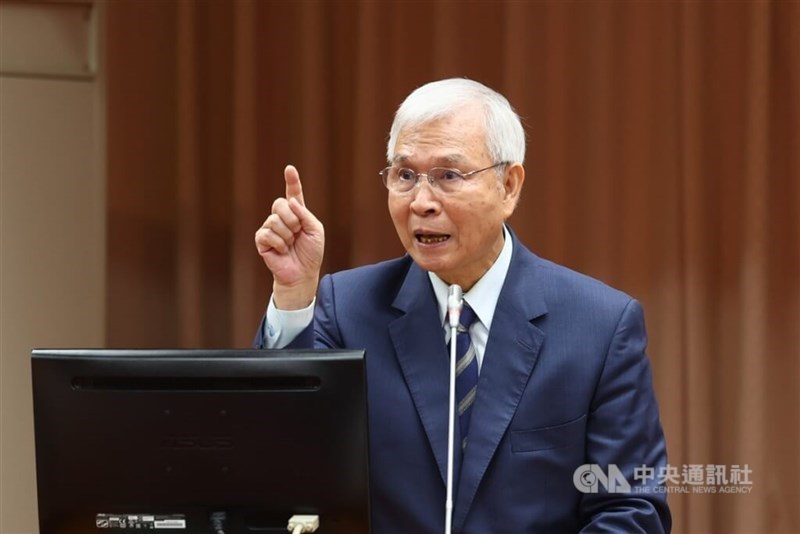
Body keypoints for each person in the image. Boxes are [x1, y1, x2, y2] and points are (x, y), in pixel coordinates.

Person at [253, 78, 671, 533]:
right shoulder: (347, 308)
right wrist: (294, 294)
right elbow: (280, 459)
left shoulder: (600, 326)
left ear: (508, 185)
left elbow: (631, 510)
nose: (422, 202)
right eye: (405, 175)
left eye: (449, 176)